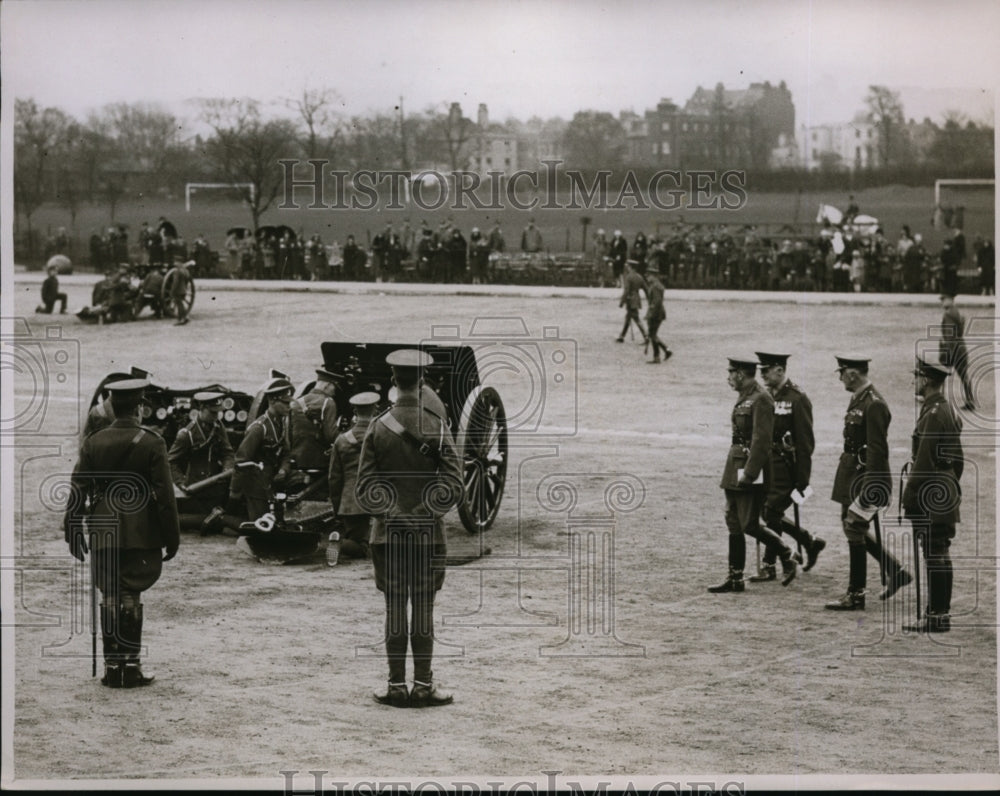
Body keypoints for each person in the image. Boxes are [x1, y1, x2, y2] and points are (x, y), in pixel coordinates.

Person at [357, 350, 463, 708]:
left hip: (388, 536)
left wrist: (395, 514)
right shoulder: (436, 423)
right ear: (421, 382)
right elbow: (453, 482)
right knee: (423, 609)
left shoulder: (378, 425)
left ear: (392, 381)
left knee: (394, 608)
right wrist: (422, 513)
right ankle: (423, 685)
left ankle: (395, 685)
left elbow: (365, 487)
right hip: (427, 536)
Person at [63, 378, 180, 688]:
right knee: (132, 592)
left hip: (102, 526)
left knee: (111, 592)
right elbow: (166, 497)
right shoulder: (153, 442)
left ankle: (113, 669)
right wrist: (172, 537)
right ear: (139, 407)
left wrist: (72, 528)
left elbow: (78, 488)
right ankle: (131, 667)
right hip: (142, 528)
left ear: (113, 405)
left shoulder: (94, 441)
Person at [825, 355, 910, 611]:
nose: (840, 377)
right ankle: (896, 571)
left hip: (868, 480)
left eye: (842, 372)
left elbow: (877, 450)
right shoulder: (859, 399)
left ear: (853, 374)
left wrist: (870, 488)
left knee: (854, 527)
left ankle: (857, 593)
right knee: (852, 526)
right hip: (852, 476)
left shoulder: (874, 404)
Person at [709, 356, 798, 593]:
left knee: (749, 523)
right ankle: (735, 577)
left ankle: (786, 553)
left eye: (731, 373)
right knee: (732, 519)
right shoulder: (747, 396)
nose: (728, 378)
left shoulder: (761, 398)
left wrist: (749, 473)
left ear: (740, 374)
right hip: (735, 464)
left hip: (750, 468)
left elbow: (761, 440)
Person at [901, 355, 963, 633]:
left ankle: (937, 616)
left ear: (926, 380)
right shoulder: (945, 409)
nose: (913, 381)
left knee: (934, 553)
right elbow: (957, 460)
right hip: (945, 485)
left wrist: (910, 493)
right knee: (940, 550)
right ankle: (939, 613)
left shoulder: (933, 413)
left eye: (916, 376)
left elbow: (923, 460)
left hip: (931, 488)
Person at [751, 352, 825, 582]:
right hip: (766, 463)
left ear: (780, 371)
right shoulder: (763, 396)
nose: (762, 375)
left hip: (785, 466)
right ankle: (808, 542)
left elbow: (805, 442)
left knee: (770, 511)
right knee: (766, 511)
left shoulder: (797, 398)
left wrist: (803, 479)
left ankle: (771, 563)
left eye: (766, 370)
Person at [167, 391, 235, 532]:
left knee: (217, 525)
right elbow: (171, 461)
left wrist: (226, 470)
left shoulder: (218, 427)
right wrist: (181, 482)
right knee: (202, 523)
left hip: (216, 487)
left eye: (218, 413)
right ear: (202, 409)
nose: (216, 416)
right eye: (212, 413)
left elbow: (227, 452)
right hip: (197, 488)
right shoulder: (187, 434)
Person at [229, 378, 294, 523]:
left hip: (272, 483)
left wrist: (284, 470)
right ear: (272, 401)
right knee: (259, 525)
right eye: (285, 403)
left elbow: (286, 452)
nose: (289, 407)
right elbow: (241, 461)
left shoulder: (281, 424)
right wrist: (234, 492)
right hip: (256, 487)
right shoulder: (259, 428)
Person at [327, 391, 380, 561]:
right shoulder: (382, 437)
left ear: (355, 412)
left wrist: (338, 508)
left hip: (350, 501)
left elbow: (334, 479)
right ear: (375, 410)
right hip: (377, 497)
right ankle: (340, 545)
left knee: (358, 538)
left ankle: (342, 542)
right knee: (370, 547)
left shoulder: (341, 440)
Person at [288, 367, 343, 483]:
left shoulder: (296, 402)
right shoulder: (328, 402)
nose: (334, 391)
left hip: (296, 456)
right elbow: (331, 435)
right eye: (334, 387)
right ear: (326, 386)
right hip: (318, 459)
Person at [939, 293, 975, 410]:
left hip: (953, 349)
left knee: (939, 373)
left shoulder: (948, 314)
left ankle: (939, 399)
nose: (942, 302)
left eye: (944, 299)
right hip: (960, 347)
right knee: (964, 376)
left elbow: (950, 335)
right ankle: (970, 400)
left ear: (951, 300)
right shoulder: (956, 313)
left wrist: (946, 349)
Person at [643, 265, 671, 364]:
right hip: (658, 312)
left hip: (656, 313)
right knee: (652, 334)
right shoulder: (657, 285)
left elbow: (656, 302)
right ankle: (659, 354)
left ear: (654, 276)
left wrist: (650, 314)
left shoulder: (655, 286)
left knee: (652, 334)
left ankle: (664, 351)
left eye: (649, 276)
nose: (647, 278)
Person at [616, 260, 647, 344]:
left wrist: (622, 302)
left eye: (628, 266)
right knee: (628, 318)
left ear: (630, 267)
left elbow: (626, 291)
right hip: (636, 299)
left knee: (636, 318)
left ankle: (646, 336)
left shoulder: (629, 277)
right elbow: (646, 289)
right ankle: (621, 336)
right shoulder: (639, 277)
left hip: (630, 300)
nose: (627, 267)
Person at [170, 260, 193, 325]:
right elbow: (187, 280)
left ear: (178, 263)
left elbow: (175, 282)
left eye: (176, 263)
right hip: (183, 290)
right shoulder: (186, 271)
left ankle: (182, 319)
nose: (175, 264)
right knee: (180, 304)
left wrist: (172, 290)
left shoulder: (177, 271)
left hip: (178, 290)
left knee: (179, 304)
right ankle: (184, 317)